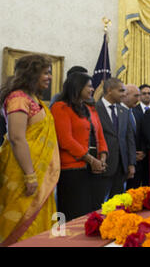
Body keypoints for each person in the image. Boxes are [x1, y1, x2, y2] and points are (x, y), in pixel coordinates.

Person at [0, 55, 60, 246]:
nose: (49, 77)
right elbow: (16, 138)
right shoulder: (18, 98)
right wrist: (30, 175)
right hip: (22, 172)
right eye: (45, 73)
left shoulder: (33, 99)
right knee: (19, 219)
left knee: (38, 221)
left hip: (38, 173)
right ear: (32, 74)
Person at [51, 72, 108, 220]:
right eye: (89, 86)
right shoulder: (60, 107)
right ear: (77, 86)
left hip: (93, 168)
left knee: (93, 212)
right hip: (72, 169)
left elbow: (100, 134)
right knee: (74, 213)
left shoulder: (88, 108)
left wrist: (102, 157)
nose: (92, 89)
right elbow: (65, 140)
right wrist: (91, 159)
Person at [95, 78, 136, 205]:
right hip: (103, 165)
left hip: (122, 166)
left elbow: (129, 139)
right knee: (99, 204)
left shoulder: (124, 111)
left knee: (118, 204)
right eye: (121, 91)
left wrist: (131, 163)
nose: (124, 94)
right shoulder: (95, 109)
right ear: (109, 91)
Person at [122, 84, 144, 190]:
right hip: (123, 162)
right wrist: (130, 156)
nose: (138, 99)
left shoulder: (138, 113)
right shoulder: (118, 112)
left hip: (139, 163)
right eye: (136, 96)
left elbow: (144, 135)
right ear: (125, 95)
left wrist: (143, 152)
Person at [132, 84, 150, 186]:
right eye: (144, 93)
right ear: (139, 96)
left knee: (149, 184)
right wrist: (140, 152)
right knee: (135, 184)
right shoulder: (133, 110)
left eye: (149, 93)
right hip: (138, 153)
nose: (147, 95)